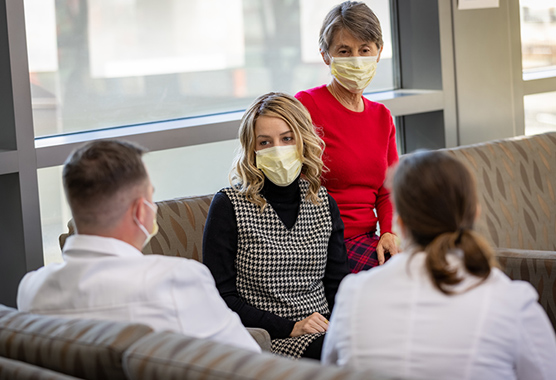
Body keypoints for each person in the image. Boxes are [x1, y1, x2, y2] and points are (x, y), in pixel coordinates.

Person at [322, 150, 556, 379]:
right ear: (475, 214)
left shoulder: (353, 293)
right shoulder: (511, 302)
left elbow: (331, 368)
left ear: (400, 225)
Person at [17, 140, 260, 353]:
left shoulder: (32, 289)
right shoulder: (175, 281)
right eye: (150, 198)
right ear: (140, 210)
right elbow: (248, 361)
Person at [203, 92, 350, 360]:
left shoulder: (322, 202)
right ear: (252, 149)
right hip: (268, 337)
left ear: (302, 140)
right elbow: (220, 296)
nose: (278, 149)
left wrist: (338, 325)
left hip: (327, 330)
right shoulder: (228, 205)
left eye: (287, 138)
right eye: (265, 142)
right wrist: (291, 327)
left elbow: (338, 285)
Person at [295, 1, 398, 273]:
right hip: (322, 243)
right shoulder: (305, 106)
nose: (356, 59)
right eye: (344, 51)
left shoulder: (382, 117)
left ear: (379, 52)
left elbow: (389, 190)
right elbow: (293, 186)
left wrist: (388, 232)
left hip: (370, 239)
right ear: (325, 55)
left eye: (364, 50)